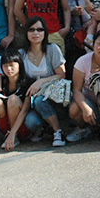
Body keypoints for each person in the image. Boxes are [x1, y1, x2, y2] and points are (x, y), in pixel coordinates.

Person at [19, 16, 68, 147]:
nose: (35, 33)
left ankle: (58, 131)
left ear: (45, 32)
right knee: (31, 122)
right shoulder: (21, 54)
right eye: (31, 30)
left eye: (40, 29)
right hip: (32, 100)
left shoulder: (53, 49)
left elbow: (62, 75)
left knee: (40, 101)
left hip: (54, 98)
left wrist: (41, 82)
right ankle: (44, 129)